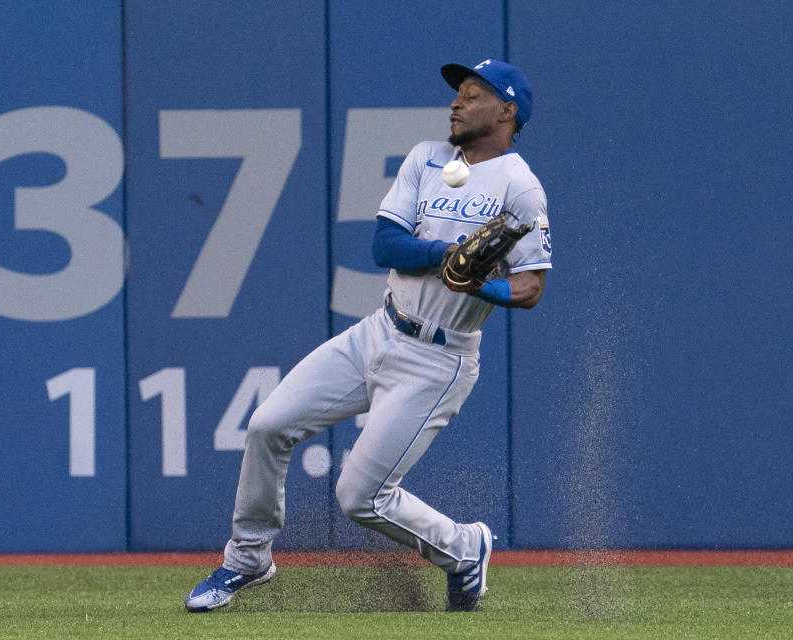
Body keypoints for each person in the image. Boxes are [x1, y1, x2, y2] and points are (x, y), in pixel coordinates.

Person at [185, 57, 551, 613]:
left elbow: (528, 289)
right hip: (378, 332)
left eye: (472, 94)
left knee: (359, 497)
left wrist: (480, 287)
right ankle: (248, 558)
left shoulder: (521, 188)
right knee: (266, 425)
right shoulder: (427, 158)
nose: (456, 101)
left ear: (507, 109)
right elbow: (385, 245)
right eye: (457, 92)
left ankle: (464, 548)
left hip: (438, 360)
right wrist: (445, 255)